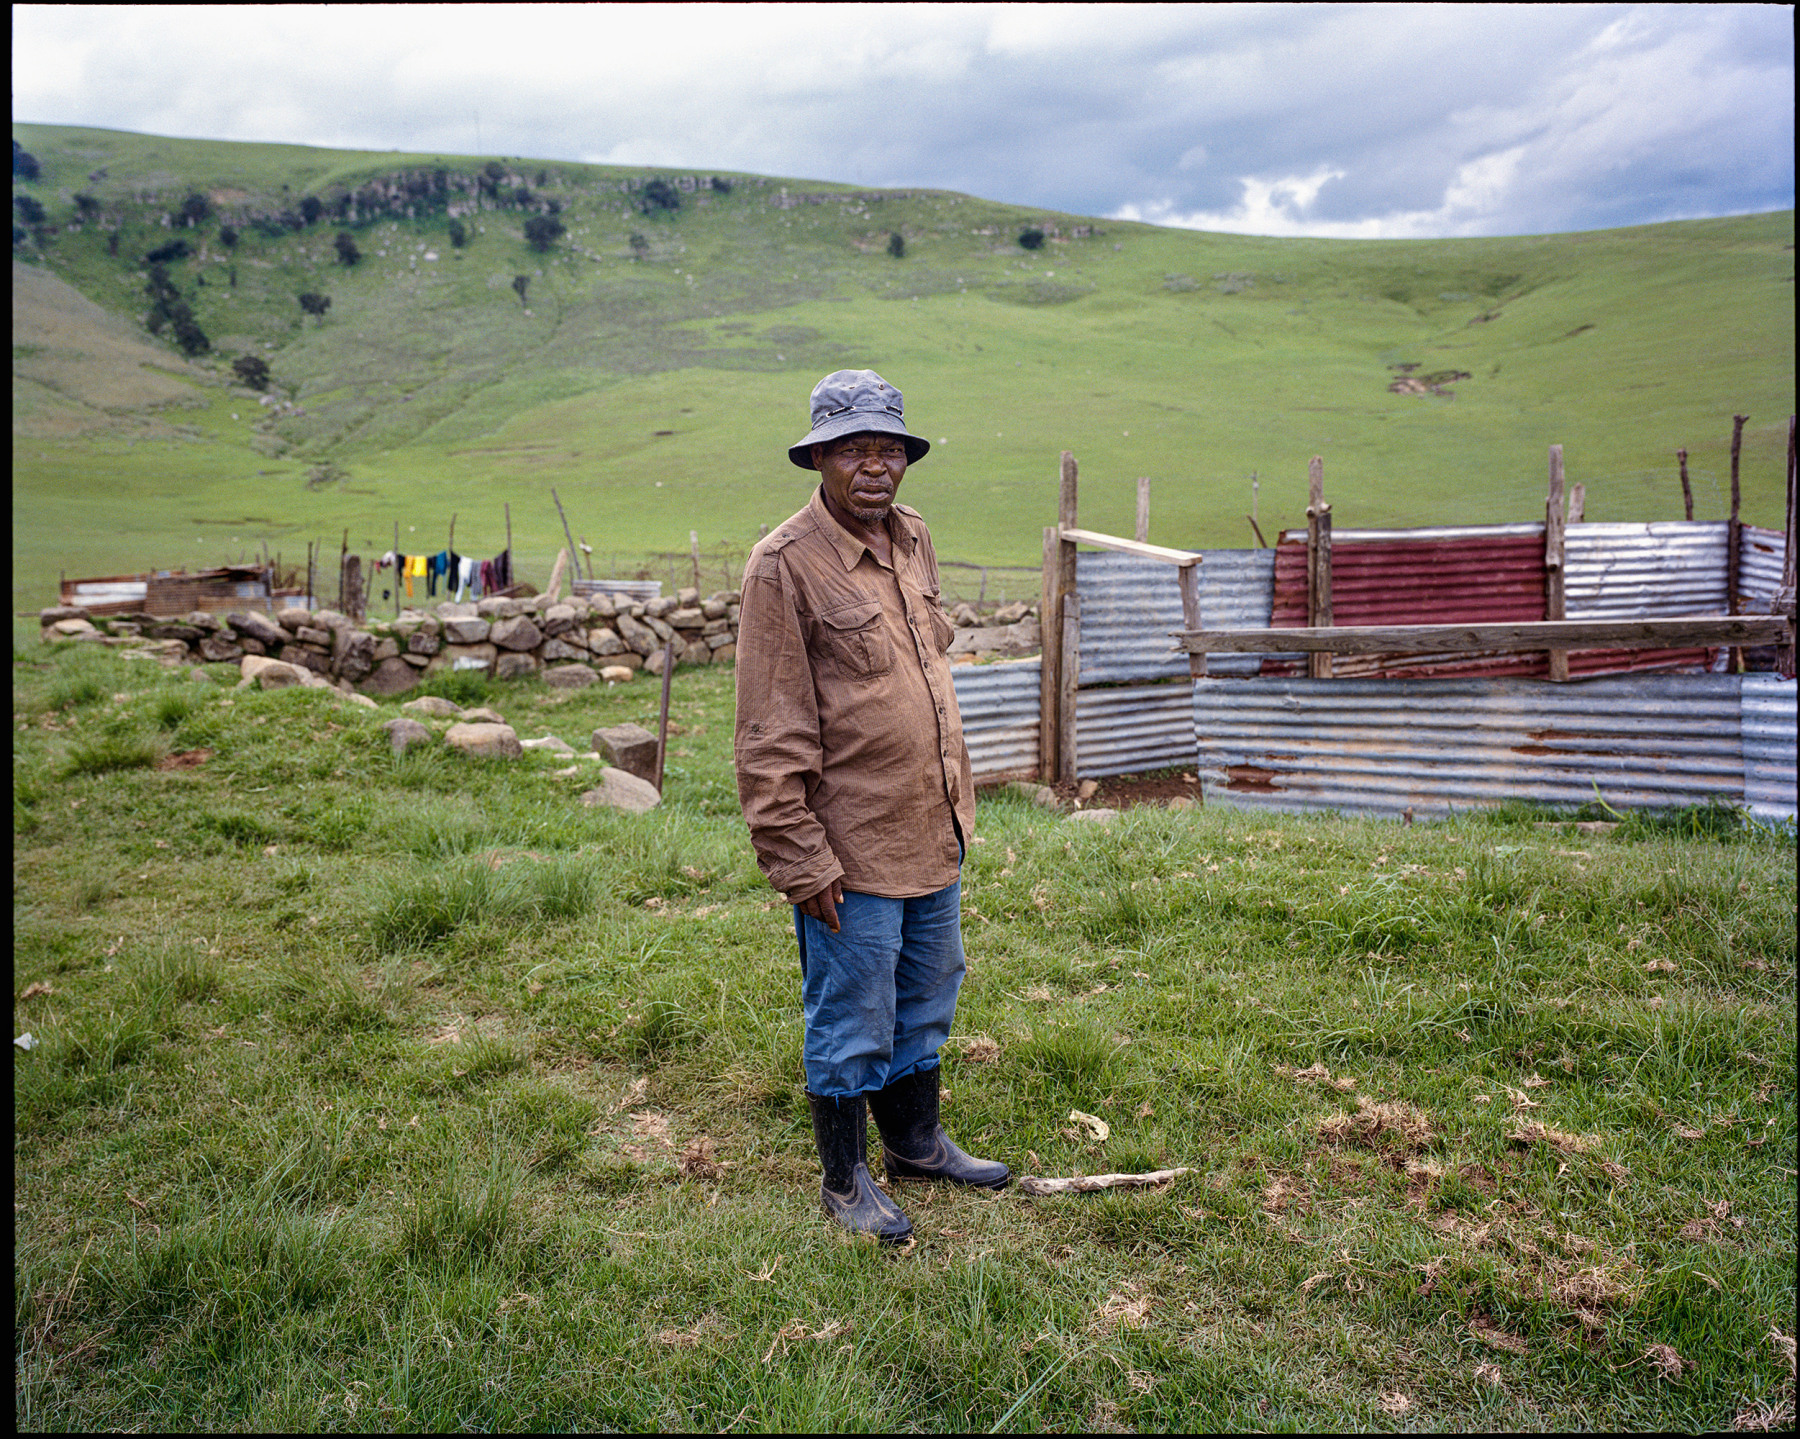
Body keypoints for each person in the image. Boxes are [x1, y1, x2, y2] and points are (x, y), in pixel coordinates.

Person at [734, 369, 1009, 1244]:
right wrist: (798, 856)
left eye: (889, 446)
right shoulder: (783, 565)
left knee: (928, 989)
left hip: (931, 823)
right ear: (818, 456)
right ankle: (845, 1178)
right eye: (855, 448)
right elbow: (769, 726)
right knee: (853, 1008)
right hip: (848, 848)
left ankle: (917, 1145)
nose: (876, 464)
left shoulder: (915, 538)